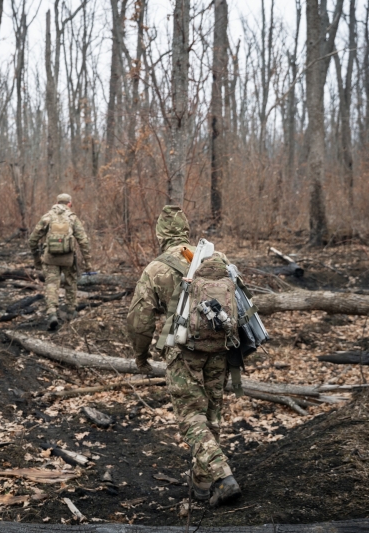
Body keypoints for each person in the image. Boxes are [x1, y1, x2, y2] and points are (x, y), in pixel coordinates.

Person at [125, 205, 242, 507]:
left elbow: (139, 320)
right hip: (220, 346)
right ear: (186, 230)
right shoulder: (217, 258)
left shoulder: (156, 268)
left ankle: (222, 475)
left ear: (160, 234)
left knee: (191, 416)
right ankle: (202, 486)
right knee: (212, 413)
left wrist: (141, 358)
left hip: (183, 350)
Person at [28, 193, 91, 330]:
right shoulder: (72, 218)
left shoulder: (47, 217)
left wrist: (37, 259)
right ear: (69, 203)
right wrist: (88, 262)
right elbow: (84, 241)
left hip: (50, 258)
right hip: (68, 258)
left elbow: (32, 240)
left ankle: (52, 313)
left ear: (57, 202)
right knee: (71, 282)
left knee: (51, 284)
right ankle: (71, 311)